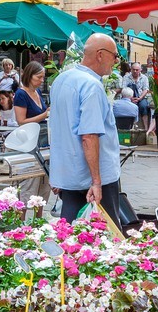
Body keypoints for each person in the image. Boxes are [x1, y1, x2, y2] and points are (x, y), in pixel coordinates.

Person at [48, 33, 127, 226]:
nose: (116, 61)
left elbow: (58, 129)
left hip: (69, 176)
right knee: (106, 234)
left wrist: (57, 173)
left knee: (69, 233)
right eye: (115, 55)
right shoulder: (91, 85)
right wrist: (96, 181)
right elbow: (89, 136)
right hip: (93, 178)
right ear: (100, 54)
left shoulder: (61, 80)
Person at [13, 62, 50, 144]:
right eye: (39, 77)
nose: (42, 80)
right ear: (29, 76)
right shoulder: (20, 94)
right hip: (32, 138)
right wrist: (45, 114)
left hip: (43, 135)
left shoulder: (38, 91)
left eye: (43, 77)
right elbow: (21, 122)